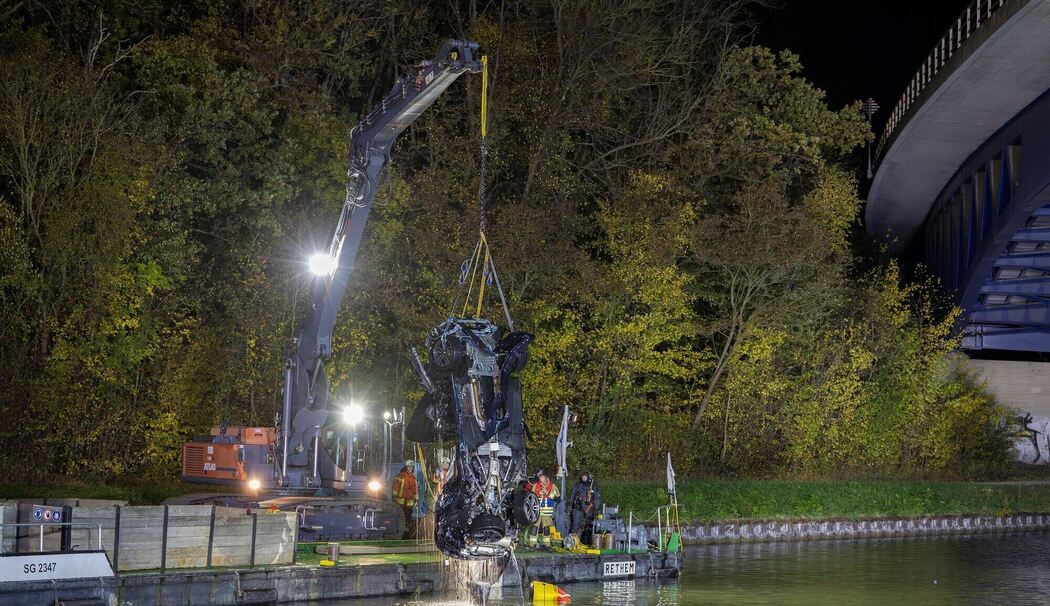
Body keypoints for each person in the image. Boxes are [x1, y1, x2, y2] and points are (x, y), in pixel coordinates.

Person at [569, 472, 600, 545]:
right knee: (575, 523)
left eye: (585, 477)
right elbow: (572, 495)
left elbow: (597, 498)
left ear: (588, 477)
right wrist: (569, 505)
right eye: (583, 477)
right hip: (578, 506)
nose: (584, 478)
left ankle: (587, 541)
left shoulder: (593, 485)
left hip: (588, 507)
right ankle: (572, 541)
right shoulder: (578, 484)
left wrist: (596, 509)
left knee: (589, 525)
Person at [530, 469, 560, 540]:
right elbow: (531, 496)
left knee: (546, 529)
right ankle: (532, 544)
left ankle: (547, 544)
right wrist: (537, 494)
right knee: (534, 528)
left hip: (547, 511)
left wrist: (548, 493)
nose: (542, 481)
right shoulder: (536, 485)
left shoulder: (552, 486)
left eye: (543, 478)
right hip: (536, 510)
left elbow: (557, 498)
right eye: (540, 479)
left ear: (546, 477)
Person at [392, 460, 418, 537]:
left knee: (408, 518)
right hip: (400, 501)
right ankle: (397, 532)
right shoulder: (400, 476)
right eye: (409, 467)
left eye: (412, 467)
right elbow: (395, 487)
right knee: (399, 517)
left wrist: (416, 499)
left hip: (409, 502)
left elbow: (415, 490)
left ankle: (405, 534)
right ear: (406, 467)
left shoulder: (413, 478)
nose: (411, 468)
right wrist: (394, 495)